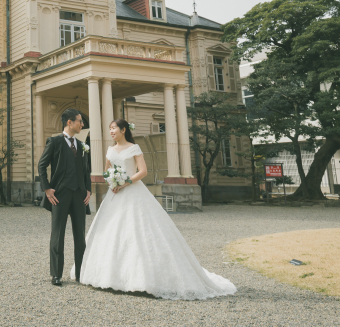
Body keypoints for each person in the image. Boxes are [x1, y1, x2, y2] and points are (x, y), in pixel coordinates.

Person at [72, 118, 237, 300]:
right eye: (109, 129)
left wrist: (125, 182)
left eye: (113, 128)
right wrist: (112, 181)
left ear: (123, 130)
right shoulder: (110, 149)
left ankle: (142, 279)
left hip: (132, 191)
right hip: (114, 195)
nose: (111, 131)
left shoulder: (134, 148)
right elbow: (106, 170)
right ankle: (107, 275)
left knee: (139, 232)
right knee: (110, 231)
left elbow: (143, 171)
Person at [37, 108, 91, 286]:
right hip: (59, 195)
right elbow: (42, 166)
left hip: (79, 195)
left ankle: (81, 273)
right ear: (69, 122)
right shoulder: (54, 141)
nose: (82, 124)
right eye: (79, 121)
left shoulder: (82, 145)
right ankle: (56, 274)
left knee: (80, 236)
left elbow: (86, 170)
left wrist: (88, 190)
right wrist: (47, 189)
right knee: (58, 234)